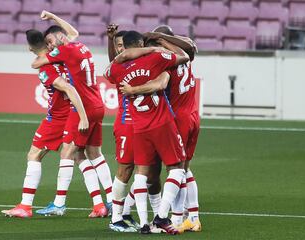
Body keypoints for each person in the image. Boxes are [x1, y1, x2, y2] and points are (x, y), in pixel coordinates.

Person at [105, 30, 189, 235]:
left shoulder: (116, 67)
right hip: (139, 122)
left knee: (145, 173)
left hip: (138, 124)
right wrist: (156, 45)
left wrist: (132, 89)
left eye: (120, 46)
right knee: (128, 171)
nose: (119, 49)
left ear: (125, 47)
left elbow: (112, 67)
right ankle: (121, 216)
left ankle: (144, 222)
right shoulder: (156, 58)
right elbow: (185, 56)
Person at [120, 25, 202, 232]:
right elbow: (191, 46)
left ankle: (174, 219)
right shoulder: (184, 55)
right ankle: (193, 216)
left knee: (172, 170)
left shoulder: (165, 61)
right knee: (185, 169)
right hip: (193, 114)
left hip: (176, 118)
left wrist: (133, 89)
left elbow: (159, 84)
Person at [32, 11, 113, 218]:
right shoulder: (80, 46)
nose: (49, 45)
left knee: (66, 153)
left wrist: (46, 55)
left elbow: (36, 63)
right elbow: (73, 32)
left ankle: (59, 204)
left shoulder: (65, 51)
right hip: (97, 103)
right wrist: (52, 16)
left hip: (82, 108)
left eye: (50, 41)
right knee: (91, 154)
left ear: (60, 37)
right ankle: (108, 201)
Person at [1, 29, 89, 218]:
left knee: (34, 155)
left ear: (30, 47)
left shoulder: (45, 68)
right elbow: (73, 35)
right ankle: (100, 202)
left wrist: (83, 116)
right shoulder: (59, 54)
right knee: (82, 156)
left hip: (58, 118)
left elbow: (68, 88)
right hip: (71, 113)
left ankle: (25, 206)